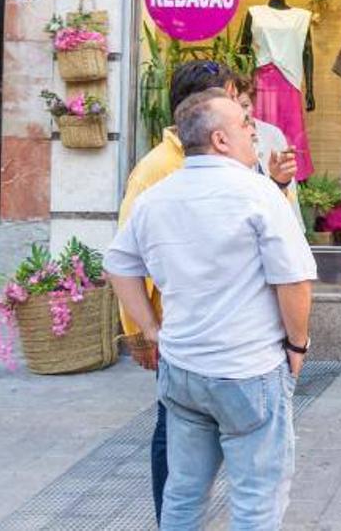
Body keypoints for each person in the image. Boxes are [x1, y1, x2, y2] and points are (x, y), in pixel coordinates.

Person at [105, 88, 318, 530]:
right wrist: (297, 345)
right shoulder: (259, 194)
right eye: (244, 124)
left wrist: (152, 329)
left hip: (183, 369)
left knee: (183, 494)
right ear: (220, 140)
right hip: (247, 370)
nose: (253, 131)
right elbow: (294, 280)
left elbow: (118, 264)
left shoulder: (156, 197)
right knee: (256, 500)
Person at [116, 59, 238, 527]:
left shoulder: (221, 161)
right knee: (173, 432)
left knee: (197, 433)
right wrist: (142, 332)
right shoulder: (156, 170)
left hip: (218, 330)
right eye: (229, 96)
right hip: (177, 333)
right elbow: (125, 259)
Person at [235, 74, 302, 224]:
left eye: (246, 106)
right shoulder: (224, 140)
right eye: (236, 107)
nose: (243, 113)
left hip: (278, 218)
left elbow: (289, 188)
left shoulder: (272, 134)